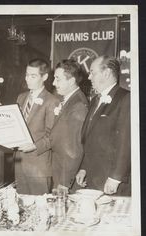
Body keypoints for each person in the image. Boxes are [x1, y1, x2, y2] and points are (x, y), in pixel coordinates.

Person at [75, 55, 131, 196]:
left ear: (106, 73)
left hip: (111, 181)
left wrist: (115, 178)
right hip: (94, 177)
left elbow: (126, 142)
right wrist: (84, 168)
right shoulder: (95, 100)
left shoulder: (126, 98)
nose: (89, 77)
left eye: (92, 72)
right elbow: (90, 138)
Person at [37, 59, 89, 193]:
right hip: (59, 170)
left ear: (71, 81)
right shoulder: (68, 100)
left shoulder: (77, 106)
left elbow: (74, 149)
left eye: (58, 79)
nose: (54, 83)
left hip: (65, 177)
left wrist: (64, 183)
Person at [15, 58, 59, 195]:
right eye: (27, 75)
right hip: (19, 165)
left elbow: (53, 136)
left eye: (33, 76)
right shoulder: (21, 98)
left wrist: (34, 146)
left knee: (39, 211)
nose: (28, 79)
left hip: (38, 167)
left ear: (44, 77)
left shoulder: (52, 101)